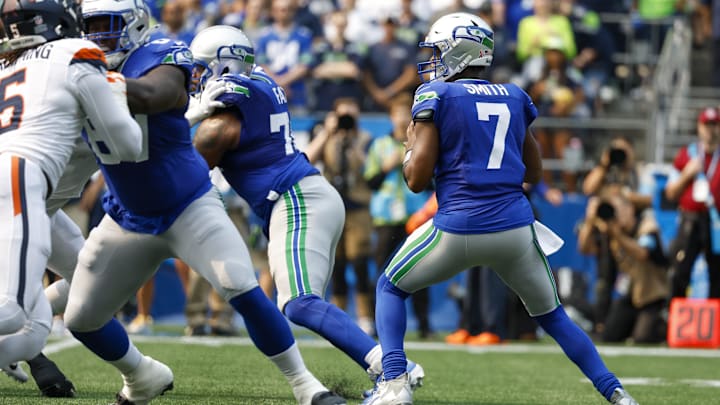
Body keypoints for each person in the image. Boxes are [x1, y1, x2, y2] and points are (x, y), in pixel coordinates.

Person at [63, 1, 346, 404]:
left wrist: (95, 83)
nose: (96, 37)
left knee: (240, 286)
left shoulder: (160, 52)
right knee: (81, 319)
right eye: (89, 27)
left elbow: (157, 94)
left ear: (135, 24)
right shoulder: (73, 67)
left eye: (106, 26)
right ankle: (141, 375)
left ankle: (306, 385)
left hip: (188, 203)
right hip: (129, 216)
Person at [363, 12, 638, 405]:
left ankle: (394, 386)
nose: (433, 60)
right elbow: (535, 171)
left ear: (459, 51)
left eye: (439, 51)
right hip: (514, 230)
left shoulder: (435, 96)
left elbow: (415, 180)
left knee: (389, 287)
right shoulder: (513, 94)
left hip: (457, 228)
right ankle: (617, 394)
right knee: (554, 316)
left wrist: (411, 145)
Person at [186, 24, 424, 397]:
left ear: (226, 68)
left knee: (300, 303)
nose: (196, 79)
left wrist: (186, 118)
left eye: (202, 69)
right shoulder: (259, 80)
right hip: (306, 196)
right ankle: (392, 366)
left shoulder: (220, 125)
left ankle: (392, 371)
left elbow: (186, 170)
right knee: (299, 303)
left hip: (296, 199)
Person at [0, 0, 143, 394]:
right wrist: (115, 91)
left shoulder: (13, 65)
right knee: (12, 311)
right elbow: (127, 145)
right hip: (19, 184)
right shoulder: (74, 57)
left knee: (89, 283)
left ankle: (142, 371)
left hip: (34, 197)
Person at [664, 107, 720, 299]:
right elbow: (670, 192)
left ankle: (716, 323)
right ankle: (675, 318)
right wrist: (687, 174)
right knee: (681, 269)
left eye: (715, 125)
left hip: (716, 223)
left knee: (717, 273)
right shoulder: (687, 154)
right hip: (690, 220)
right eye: (707, 125)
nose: (711, 130)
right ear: (699, 126)